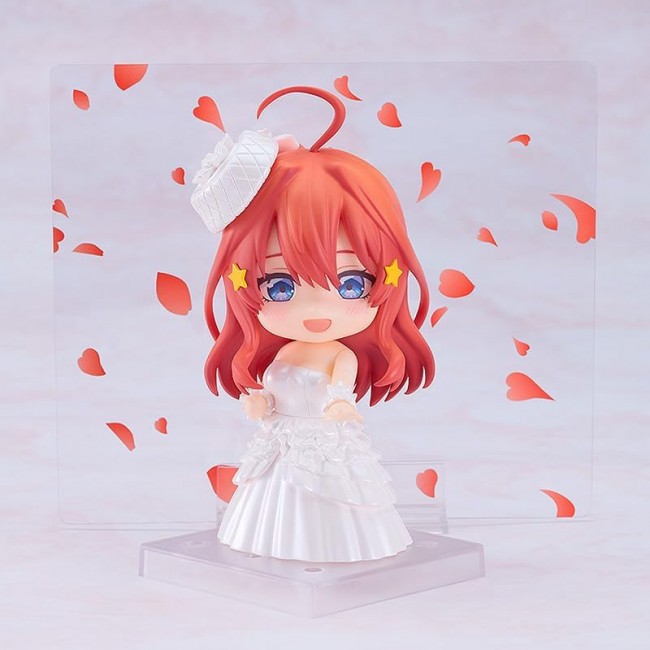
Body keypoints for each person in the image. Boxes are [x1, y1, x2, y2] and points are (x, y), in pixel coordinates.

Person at [191, 86, 434, 562]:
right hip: (283, 438)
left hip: (324, 442)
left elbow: (341, 389)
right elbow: (270, 387)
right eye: (280, 286)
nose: (317, 308)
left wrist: (341, 405)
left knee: (332, 498)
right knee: (273, 502)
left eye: (351, 284)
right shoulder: (284, 351)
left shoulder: (340, 355)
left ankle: (335, 549)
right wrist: (261, 400)